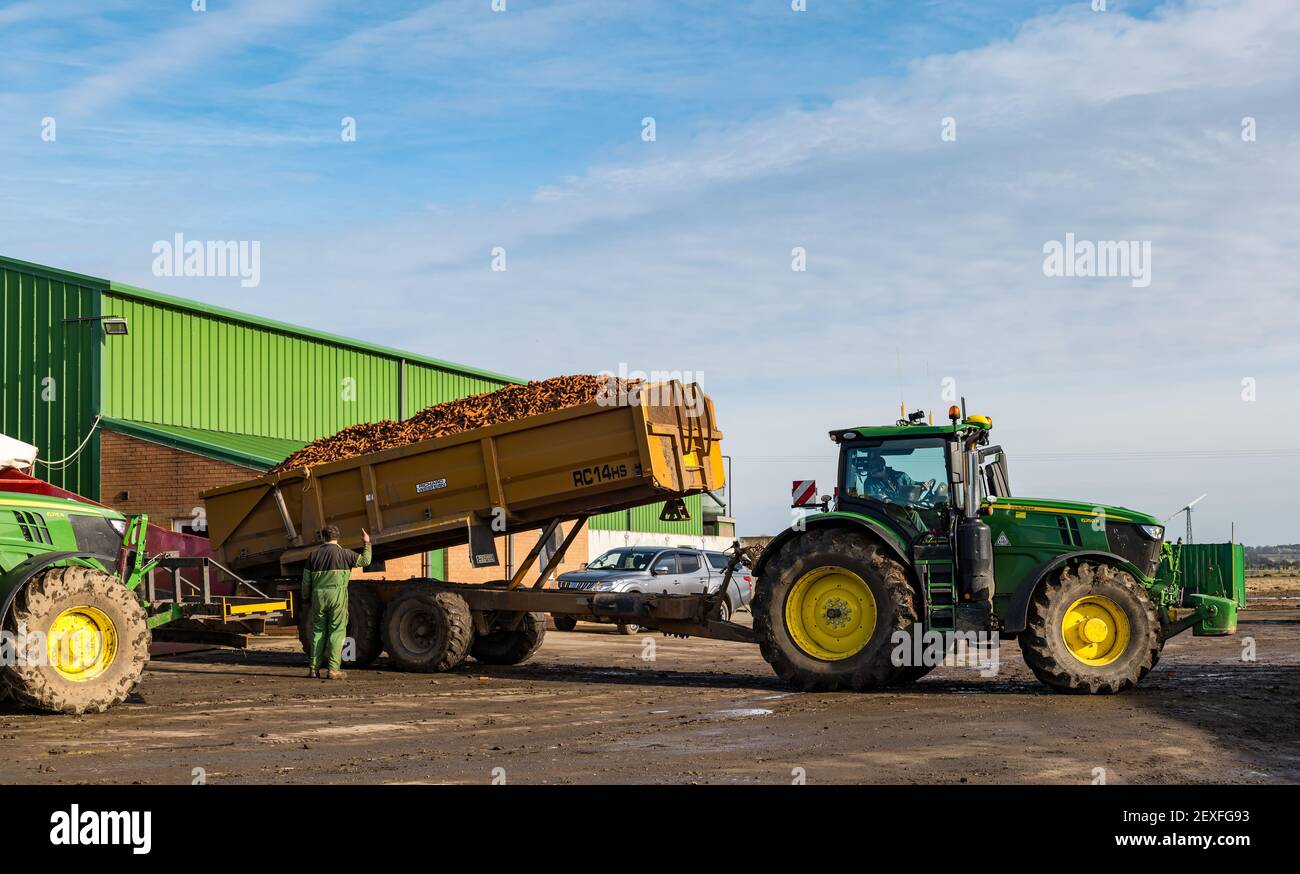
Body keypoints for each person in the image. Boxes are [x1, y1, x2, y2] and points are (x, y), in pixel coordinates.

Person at [302, 524, 372, 680]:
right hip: (337, 596)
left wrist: (306, 598)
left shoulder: (313, 556)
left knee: (318, 632)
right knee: (337, 632)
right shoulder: (345, 554)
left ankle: (313, 669)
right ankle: (333, 670)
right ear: (338, 537)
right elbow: (366, 560)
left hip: (318, 597)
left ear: (323, 537)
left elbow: (306, 582)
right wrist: (366, 543)